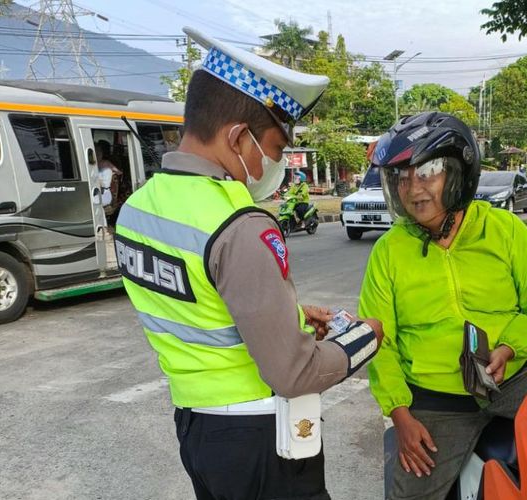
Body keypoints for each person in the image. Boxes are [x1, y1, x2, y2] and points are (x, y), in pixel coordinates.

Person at [114, 28, 383, 500]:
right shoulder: (239, 223)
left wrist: (295, 318)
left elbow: (204, 306)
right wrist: (365, 338)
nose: (275, 165)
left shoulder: (138, 208)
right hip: (262, 438)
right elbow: (293, 373)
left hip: (197, 430)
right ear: (239, 138)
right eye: (276, 150)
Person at [358, 112, 527, 500]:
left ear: (459, 173)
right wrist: (400, 414)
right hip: (437, 400)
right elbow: (379, 340)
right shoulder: (389, 251)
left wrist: (508, 348)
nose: (413, 188)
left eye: (426, 173)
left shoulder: (505, 232)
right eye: (401, 177)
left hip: (514, 379)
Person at [95, 139, 122, 209]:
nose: (97, 154)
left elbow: (119, 173)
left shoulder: (107, 163)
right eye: (96, 152)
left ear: (102, 153)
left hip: (104, 194)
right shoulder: (91, 164)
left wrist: (112, 174)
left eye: (99, 152)